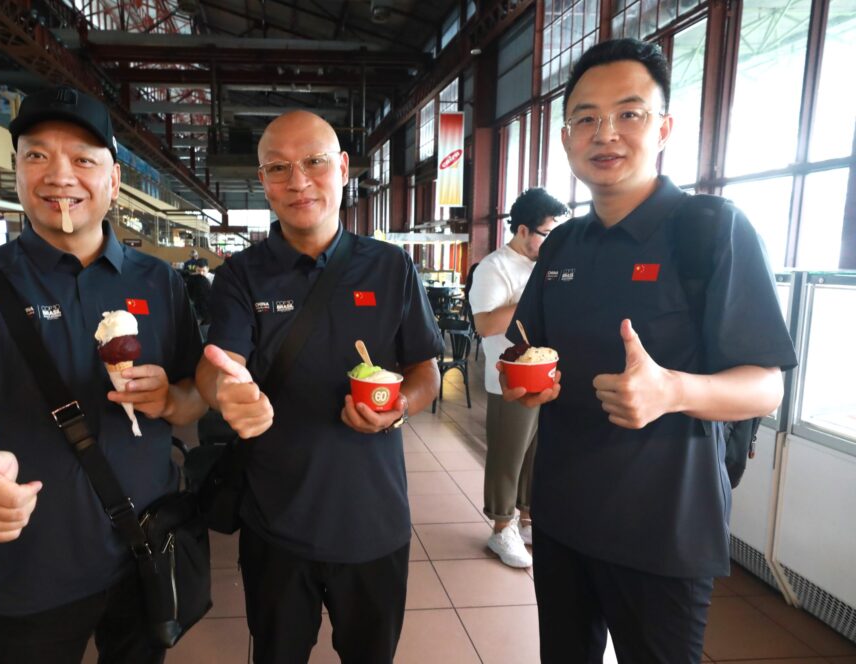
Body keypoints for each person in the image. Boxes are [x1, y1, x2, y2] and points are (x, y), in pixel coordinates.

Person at [501, 39, 797, 663]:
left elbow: (766, 385)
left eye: (629, 113)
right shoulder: (562, 247)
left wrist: (674, 391)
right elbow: (530, 353)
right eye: (585, 118)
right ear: (565, 139)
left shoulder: (711, 230)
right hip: (561, 519)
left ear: (663, 127)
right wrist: (523, 382)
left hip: (664, 532)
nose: (605, 133)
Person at [0, 86, 207, 664]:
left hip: (144, 546)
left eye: (82, 158)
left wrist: (171, 400)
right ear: (16, 169)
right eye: (37, 155)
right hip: (37, 564)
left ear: (113, 178)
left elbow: (194, 395)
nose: (59, 176)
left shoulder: (160, 282)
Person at [196, 110, 443, 664]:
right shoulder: (241, 276)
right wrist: (224, 391)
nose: (298, 181)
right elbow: (220, 364)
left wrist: (400, 405)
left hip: (374, 520)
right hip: (277, 522)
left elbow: (426, 370)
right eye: (278, 168)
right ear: (262, 180)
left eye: (314, 162)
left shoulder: (391, 267)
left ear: (344, 168)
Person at [468, 188, 568, 568]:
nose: (549, 242)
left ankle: (526, 518)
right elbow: (485, 323)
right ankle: (500, 527)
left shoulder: (545, 266)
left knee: (535, 456)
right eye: (545, 233)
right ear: (524, 230)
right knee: (507, 456)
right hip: (508, 382)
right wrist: (533, 294)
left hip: (546, 378)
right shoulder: (495, 267)